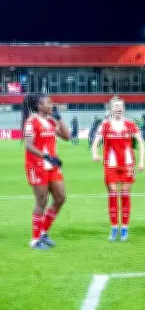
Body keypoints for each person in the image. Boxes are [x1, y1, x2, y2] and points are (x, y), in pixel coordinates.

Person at [92, 97, 145, 242]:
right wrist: (95, 153)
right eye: (116, 106)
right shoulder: (105, 125)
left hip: (127, 165)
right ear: (111, 108)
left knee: (125, 195)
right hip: (111, 165)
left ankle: (125, 227)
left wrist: (141, 161)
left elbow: (141, 142)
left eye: (121, 106)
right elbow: (96, 141)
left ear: (124, 108)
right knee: (113, 196)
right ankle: (114, 227)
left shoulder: (130, 124)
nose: (119, 108)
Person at [22, 94, 70, 249]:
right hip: (37, 166)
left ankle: (43, 232)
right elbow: (28, 145)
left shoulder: (50, 121)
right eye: (48, 102)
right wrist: (46, 156)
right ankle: (35, 240)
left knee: (60, 197)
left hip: (52, 165)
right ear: (39, 106)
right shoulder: (31, 121)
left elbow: (67, 136)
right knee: (41, 201)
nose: (52, 104)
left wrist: (59, 118)